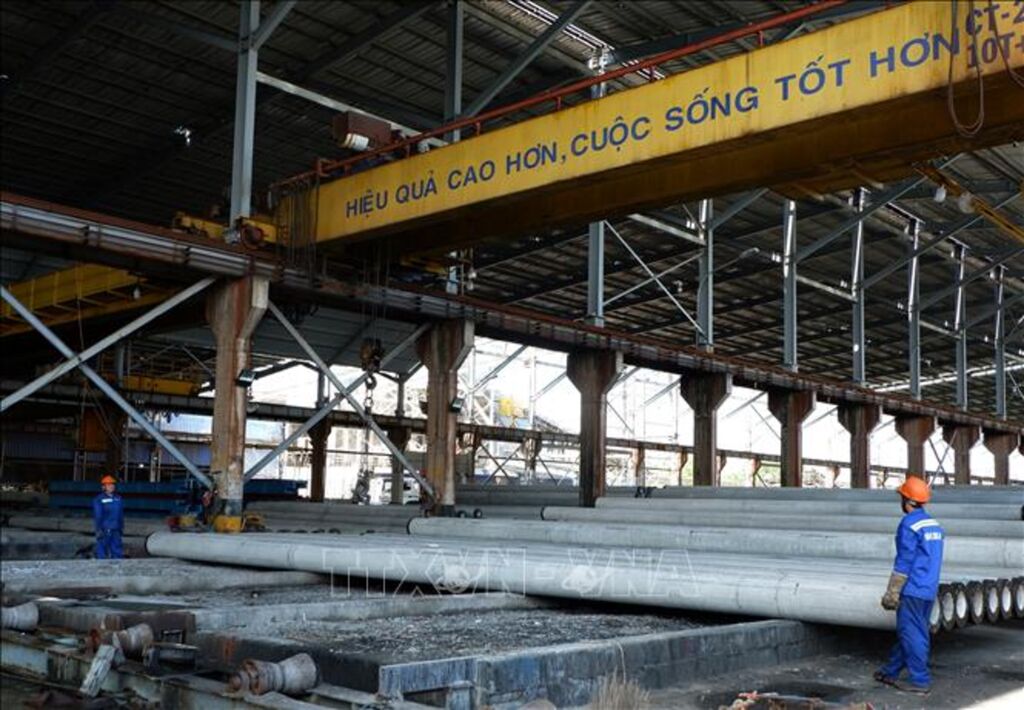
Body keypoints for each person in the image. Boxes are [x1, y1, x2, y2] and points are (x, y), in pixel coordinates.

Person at [874, 476, 944, 695]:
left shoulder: (909, 524)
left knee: (913, 635)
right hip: (928, 589)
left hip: (912, 589)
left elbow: (904, 560)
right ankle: (891, 671)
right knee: (910, 631)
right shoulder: (933, 525)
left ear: (907, 500)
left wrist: (893, 591)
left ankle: (920, 681)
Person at [93, 475, 125, 559]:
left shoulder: (118, 498)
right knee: (102, 550)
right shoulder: (99, 499)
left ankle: (116, 565)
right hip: (105, 529)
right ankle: (102, 564)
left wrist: (121, 527)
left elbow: (120, 514)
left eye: (112, 484)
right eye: (109, 484)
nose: (111, 486)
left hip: (116, 529)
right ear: (103, 487)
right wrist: (98, 529)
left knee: (117, 551)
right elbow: (98, 515)